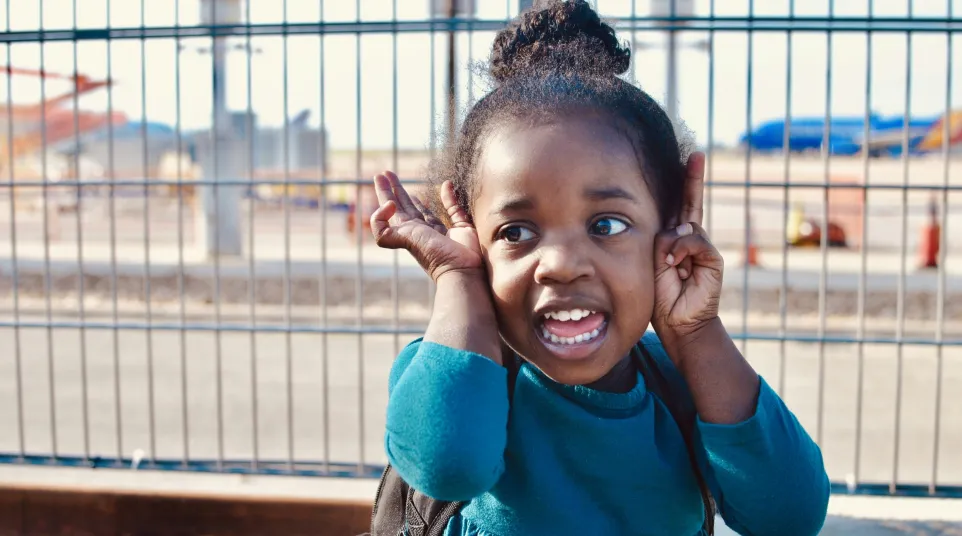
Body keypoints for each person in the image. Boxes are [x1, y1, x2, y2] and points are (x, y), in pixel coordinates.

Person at [367, 1, 831, 534]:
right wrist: (459, 279)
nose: (561, 265)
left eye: (607, 225)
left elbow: (791, 515)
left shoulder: (684, 385)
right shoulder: (457, 371)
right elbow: (450, 465)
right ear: (472, 238)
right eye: (515, 233)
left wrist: (696, 331)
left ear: (670, 225)